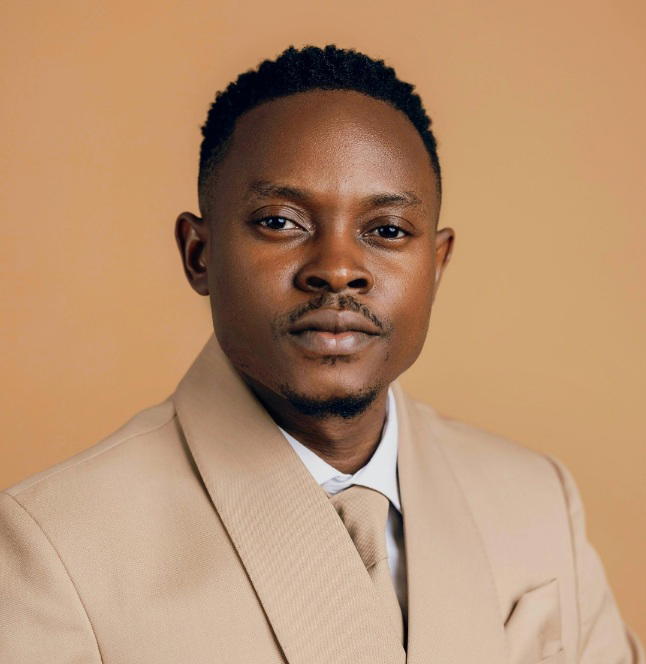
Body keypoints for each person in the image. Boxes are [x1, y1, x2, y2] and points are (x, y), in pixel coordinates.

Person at [0, 44, 642, 664]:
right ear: (199, 254)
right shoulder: (51, 547)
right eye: (280, 222)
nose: (337, 269)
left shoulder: (538, 499)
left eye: (387, 230)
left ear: (436, 264)